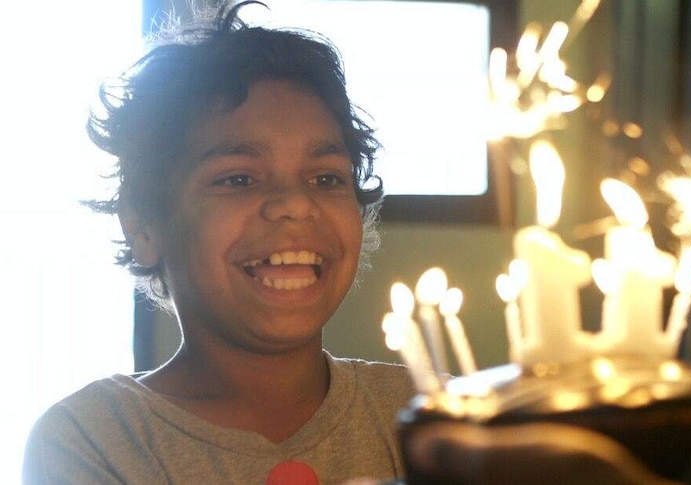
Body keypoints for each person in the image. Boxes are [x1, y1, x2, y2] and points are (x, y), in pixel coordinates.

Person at [22, 1, 415, 484]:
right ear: (143, 227)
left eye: (325, 178)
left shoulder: (437, 416)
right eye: (238, 179)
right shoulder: (97, 437)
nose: (294, 204)